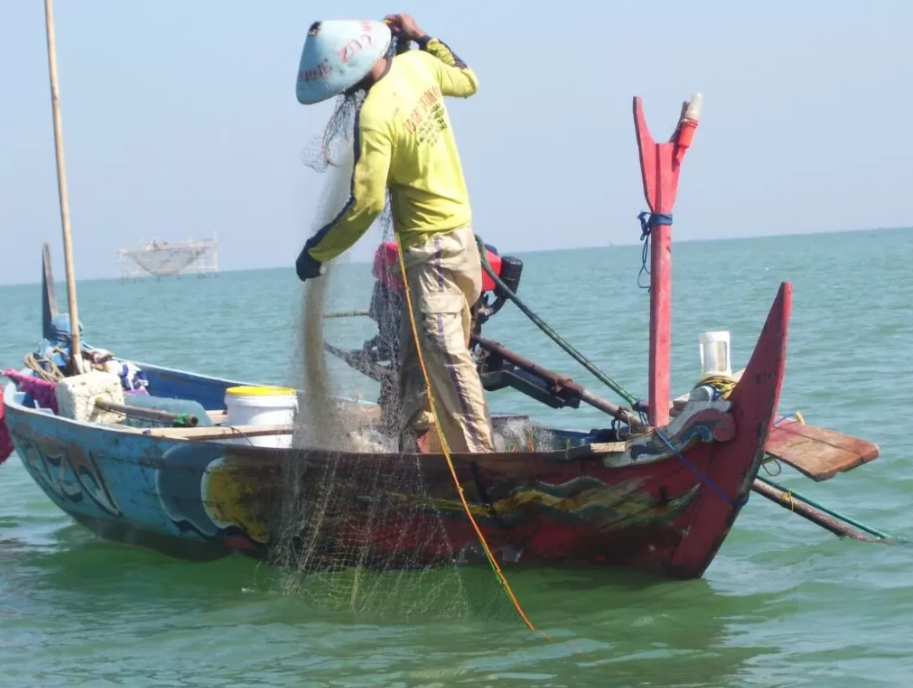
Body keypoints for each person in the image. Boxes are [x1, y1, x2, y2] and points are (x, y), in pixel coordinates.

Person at [294, 14, 494, 454]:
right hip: (462, 244)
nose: (344, 95)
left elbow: (364, 206)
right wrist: (422, 37)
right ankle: (417, 451)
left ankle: (482, 469)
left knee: (447, 363)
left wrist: (316, 252)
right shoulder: (418, 66)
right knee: (417, 361)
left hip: (431, 255)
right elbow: (468, 79)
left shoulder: (374, 116)